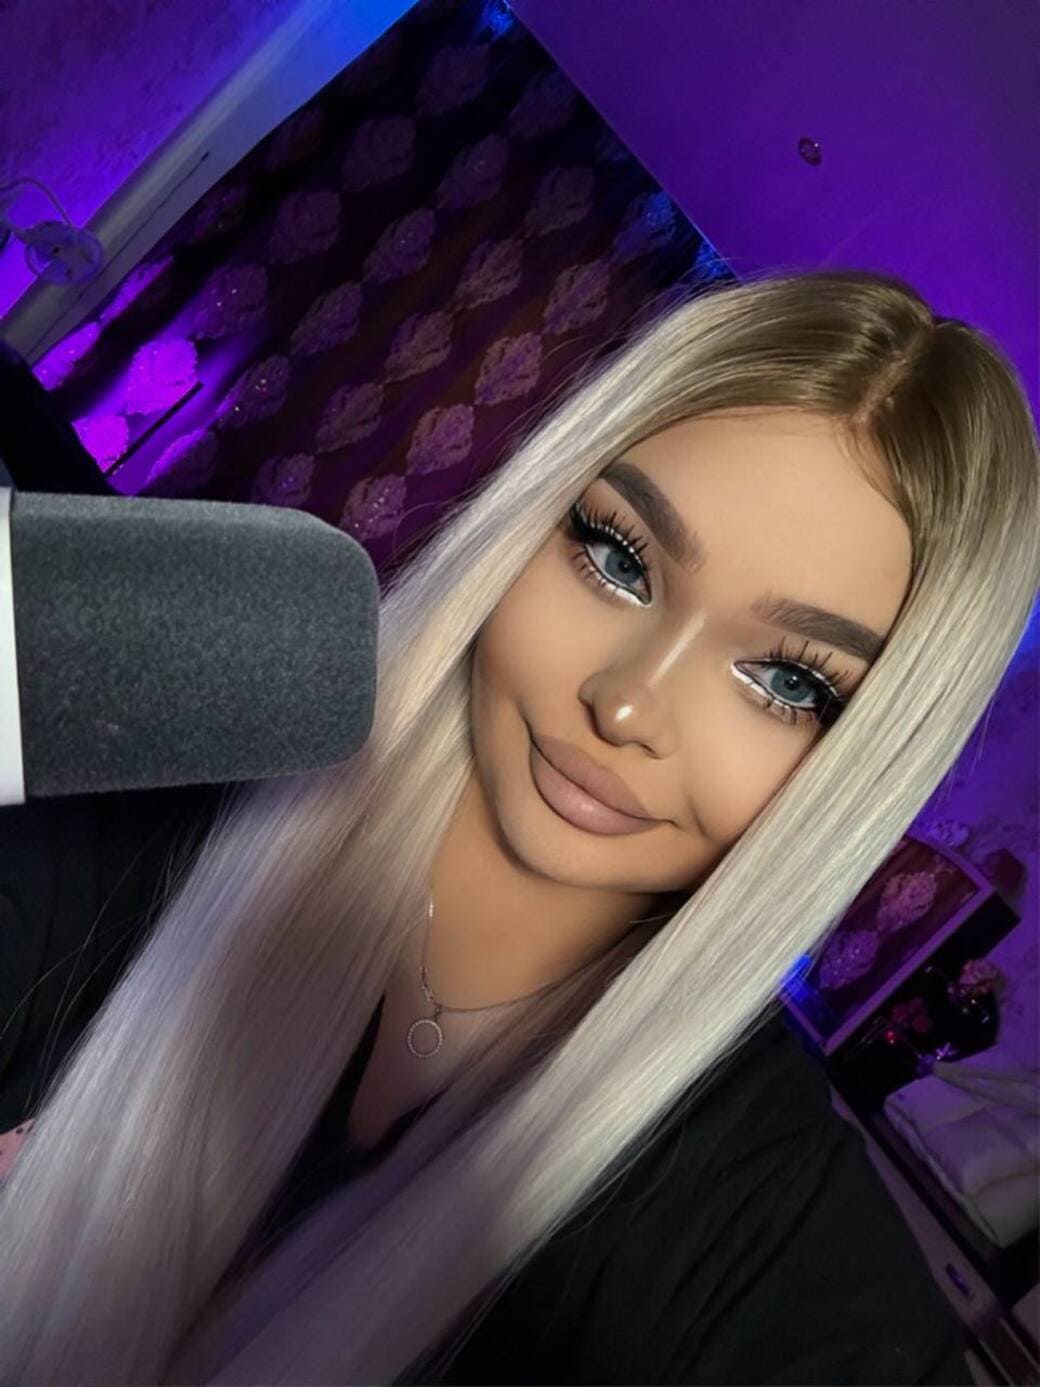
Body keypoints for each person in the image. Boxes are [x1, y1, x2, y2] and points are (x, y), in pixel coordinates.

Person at [0, 267, 1036, 1385]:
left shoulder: (746, 1215)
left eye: (788, 682)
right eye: (618, 558)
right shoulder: (173, 783)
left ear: (865, 762)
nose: (626, 704)